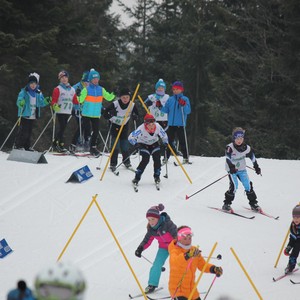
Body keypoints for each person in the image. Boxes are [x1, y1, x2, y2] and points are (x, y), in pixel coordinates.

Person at [168, 226, 223, 300]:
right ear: (179, 239)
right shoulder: (175, 251)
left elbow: (202, 265)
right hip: (178, 290)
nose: (188, 241)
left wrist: (213, 269)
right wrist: (187, 255)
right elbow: (175, 262)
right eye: (185, 239)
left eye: (189, 238)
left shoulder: (194, 250)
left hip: (192, 290)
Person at [135, 203, 177, 294]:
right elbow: (147, 240)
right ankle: (152, 284)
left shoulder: (167, 224)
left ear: (158, 217)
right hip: (163, 248)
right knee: (156, 265)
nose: (151, 222)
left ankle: (180, 285)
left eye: (153, 219)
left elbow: (176, 234)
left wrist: (180, 245)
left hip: (175, 247)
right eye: (149, 220)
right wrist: (140, 248)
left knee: (177, 265)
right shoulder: (151, 229)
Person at [222, 127, 262, 212]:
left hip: (242, 169)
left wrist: (256, 166)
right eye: (237, 138)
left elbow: (252, 157)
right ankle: (226, 204)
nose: (239, 140)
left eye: (241, 138)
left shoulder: (246, 148)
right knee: (234, 186)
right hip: (232, 170)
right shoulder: (230, 147)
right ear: (234, 138)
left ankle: (253, 203)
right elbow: (227, 158)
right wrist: (231, 167)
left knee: (248, 185)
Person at [78, 68, 115, 157]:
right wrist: (78, 95)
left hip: (96, 115)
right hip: (86, 113)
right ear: (90, 79)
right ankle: (85, 143)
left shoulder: (101, 89)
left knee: (96, 131)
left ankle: (92, 147)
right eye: (94, 79)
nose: (95, 80)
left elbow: (108, 97)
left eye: (97, 78)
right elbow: (80, 100)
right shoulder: (86, 89)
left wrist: (114, 94)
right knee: (87, 129)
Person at [102, 87, 139, 171]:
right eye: (123, 97)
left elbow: (137, 115)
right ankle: (113, 163)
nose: (125, 99)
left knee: (124, 145)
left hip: (124, 125)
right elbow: (105, 114)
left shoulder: (132, 105)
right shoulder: (115, 104)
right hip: (114, 125)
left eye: (127, 97)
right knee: (115, 145)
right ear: (120, 97)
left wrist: (134, 116)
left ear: (129, 97)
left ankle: (126, 162)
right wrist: (111, 114)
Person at [128, 113, 168, 184]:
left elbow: (164, 135)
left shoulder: (158, 126)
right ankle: (137, 177)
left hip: (154, 144)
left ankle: (157, 176)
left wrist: (165, 143)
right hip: (143, 145)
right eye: (149, 125)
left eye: (153, 124)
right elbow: (130, 137)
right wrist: (135, 144)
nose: (152, 127)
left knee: (157, 158)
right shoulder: (141, 128)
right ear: (146, 124)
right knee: (145, 159)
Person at [160, 81, 191, 164]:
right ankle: (166, 157)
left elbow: (188, 111)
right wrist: (159, 106)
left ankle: (185, 157)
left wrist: (184, 104)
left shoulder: (185, 99)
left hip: (180, 124)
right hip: (171, 124)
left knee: (182, 141)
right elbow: (166, 110)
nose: (175, 91)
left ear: (181, 90)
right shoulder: (170, 99)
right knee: (169, 141)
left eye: (177, 89)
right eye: (174, 89)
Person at [15, 72, 48, 151]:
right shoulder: (24, 92)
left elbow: (41, 103)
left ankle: (27, 146)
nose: (33, 85)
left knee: (29, 132)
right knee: (24, 132)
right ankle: (19, 146)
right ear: (29, 84)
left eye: (35, 83)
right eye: (31, 83)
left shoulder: (38, 93)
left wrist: (46, 101)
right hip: (25, 114)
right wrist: (21, 102)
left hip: (33, 115)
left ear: (37, 84)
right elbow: (19, 101)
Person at [50, 70, 79, 153]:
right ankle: (57, 143)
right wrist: (55, 106)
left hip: (67, 111)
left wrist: (79, 100)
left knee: (63, 128)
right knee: (62, 127)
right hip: (60, 111)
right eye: (62, 78)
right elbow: (53, 101)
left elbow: (75, 101)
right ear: (60, 79)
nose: (64, 79)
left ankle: (59, 143)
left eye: (65, 77)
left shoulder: (72, 89)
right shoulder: (57, 89)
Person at [70, 71, 90, 152]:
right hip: (78, 110)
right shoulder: (76, 87)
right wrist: (75, 109)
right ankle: (75, 144)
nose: (86, 84)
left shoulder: (90, 88)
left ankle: (86, 142)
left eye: (88, 82)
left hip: (87, 111)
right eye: (85, 82)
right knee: (81, 126)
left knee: (87, 127)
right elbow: (72, 99)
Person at [284, 205, 300, 274]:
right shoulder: (293, 226)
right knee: (293, 254)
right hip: (297, 243)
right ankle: (290, 266)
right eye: (294, 217)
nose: (295, 219)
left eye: (298, 217)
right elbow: (292, 238)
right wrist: (288, 247)